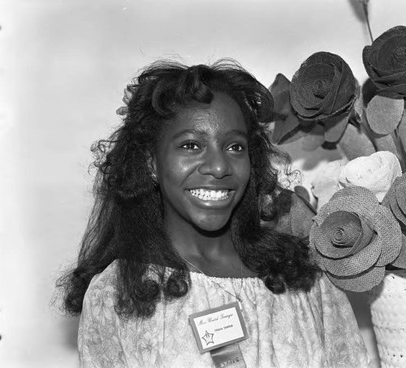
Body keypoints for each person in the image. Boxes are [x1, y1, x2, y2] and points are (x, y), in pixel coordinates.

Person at [58, 59, 373, 368]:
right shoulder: (116, 294)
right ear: (152, 162)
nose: (220, 167)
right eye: (191, 145)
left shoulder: (301, 276)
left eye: (235, 147)